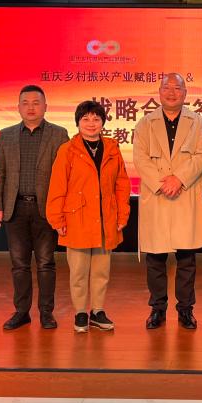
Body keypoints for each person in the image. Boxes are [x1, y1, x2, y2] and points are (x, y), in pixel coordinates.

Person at [133, 73, 202, 330]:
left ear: (185, 93)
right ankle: (157, 309)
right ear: (159, 91)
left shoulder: (198, 122)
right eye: (167, 87)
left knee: (186, 259)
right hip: (157, 196)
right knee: (155, 259)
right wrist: (162, 184)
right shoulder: (145, 123)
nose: (172, 92)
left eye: (177, 88)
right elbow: (140, 158)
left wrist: (179, 179)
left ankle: (186, 310)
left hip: (184, 194)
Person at [0, 85, 70, 330]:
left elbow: (67, 174)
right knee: (19, 264)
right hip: (15, 208)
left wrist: (63, 209)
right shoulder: (7, 135)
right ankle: (21, 312)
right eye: (25, 103)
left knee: (46, 263)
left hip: (46, 209)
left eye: (36, 103)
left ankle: (46, 312)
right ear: (18, 107)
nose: (31, 107)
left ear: (45, 107)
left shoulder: (59, 134)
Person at [47, 100, 131, 333]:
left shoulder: (112, 148)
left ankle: (97, 311)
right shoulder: (67, 150)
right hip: (77, 219)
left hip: (106, 220)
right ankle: (80, 312)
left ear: (103, 122)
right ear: (78, 123)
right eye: (86, 119)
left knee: (102, 271)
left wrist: (122, 214)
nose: (91, 123)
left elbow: (122, 184)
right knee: (78, 271)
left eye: (96, 118)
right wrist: (57, 219)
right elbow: (57, 186)